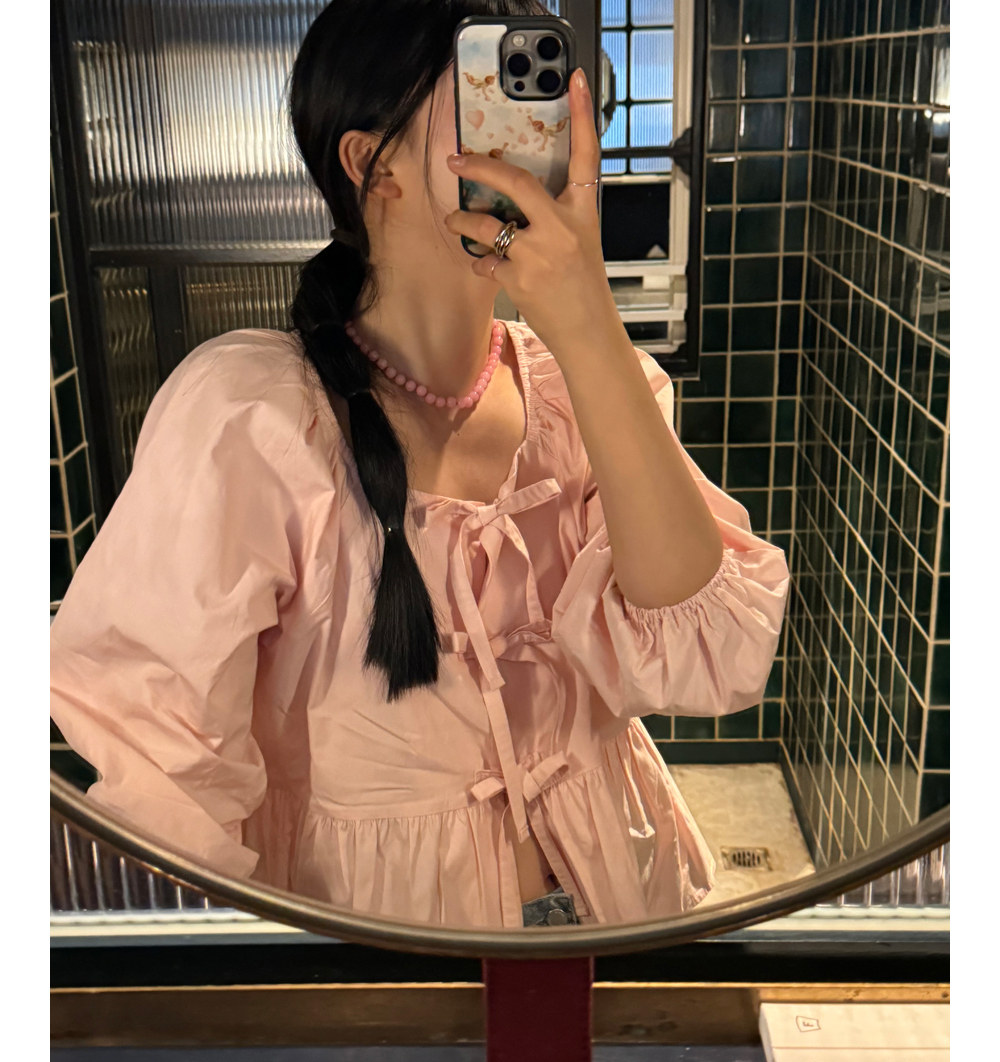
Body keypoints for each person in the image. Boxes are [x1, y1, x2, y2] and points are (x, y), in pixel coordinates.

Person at [49, 0, 789, 929]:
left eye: (543, 110)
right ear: (373, 165)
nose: (532, 141)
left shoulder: (589, 389)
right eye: (485, 106)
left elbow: (708, 666)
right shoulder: (252, 418)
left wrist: (587, 321)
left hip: (620, 905)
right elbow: (166, 772)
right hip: (375, 952)